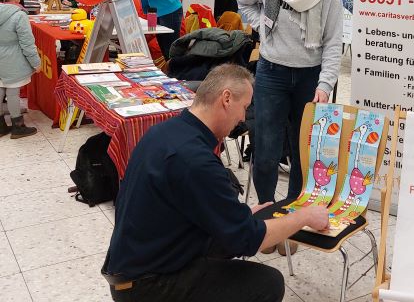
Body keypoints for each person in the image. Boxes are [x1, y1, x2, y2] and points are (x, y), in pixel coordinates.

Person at [102, 64, 330, 302]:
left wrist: (244, 215)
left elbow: (194, 207)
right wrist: (303, 217)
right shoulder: (196, 160)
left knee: (226, 240)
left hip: (133, 267)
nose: (243, 117)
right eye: (244, 108)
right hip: (146, 287)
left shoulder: (165, 132)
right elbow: (248, 240)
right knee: (268, 283)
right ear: (227, 99)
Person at [235, 0, 343, 215]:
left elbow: (334, 41)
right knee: (267, 147)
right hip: (272, 73)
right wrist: (262, 26)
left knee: (302, 151)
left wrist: (325, 84)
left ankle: (294, 215)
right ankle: (268, 215)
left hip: (310, 77)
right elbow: (242, 1)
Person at [0, 0, 40, 139]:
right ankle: (18, 125)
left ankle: (1, 126)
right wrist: (36, 63)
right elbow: (27, 43)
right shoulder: (19, 16)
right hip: (14, 59)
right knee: (13, 91)